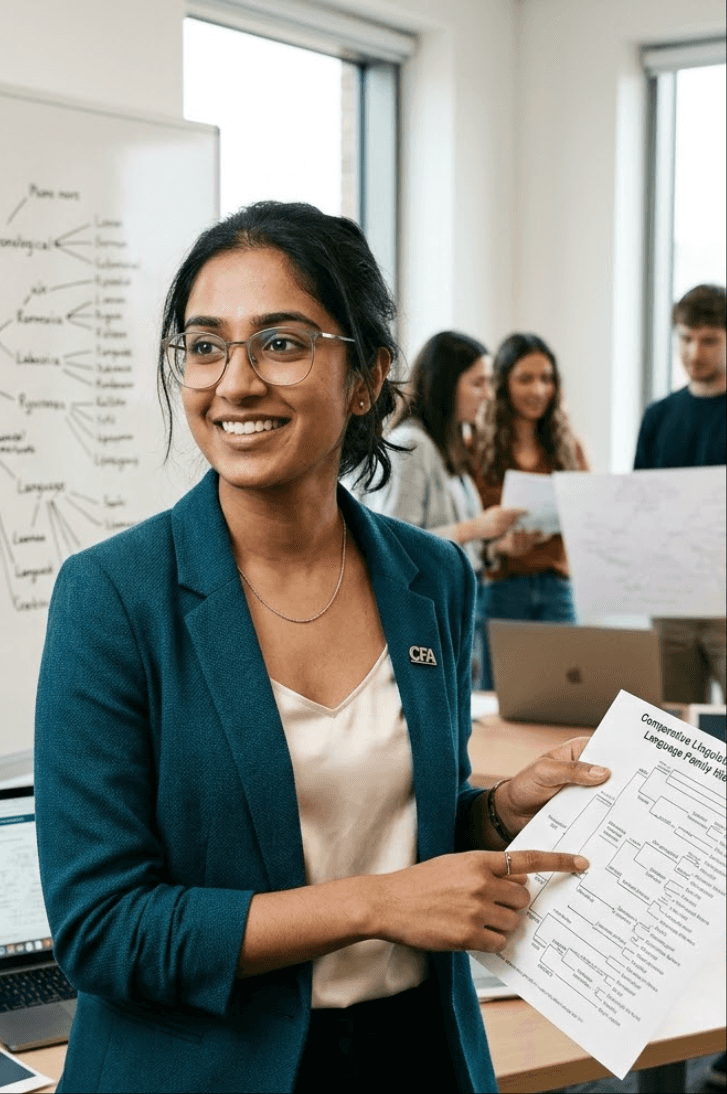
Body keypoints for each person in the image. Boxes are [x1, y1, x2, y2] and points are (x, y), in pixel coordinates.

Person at [34, 202, 608, 1093]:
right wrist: (376, 906)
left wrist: (497, 812)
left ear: (367, 376)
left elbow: (394, 822)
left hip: (416, 1056)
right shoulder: (112, 596)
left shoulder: (430, 577)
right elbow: (102, 930)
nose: (235, 383)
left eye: (282, 343)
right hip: (209, 1072)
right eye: (205, 346)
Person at [367, 331, 526, 683]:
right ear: (445, 385)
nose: (489, 394)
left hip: (454, 614)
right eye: (478, 383)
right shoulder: (411, 445)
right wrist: (477, 528)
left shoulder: (448, 448)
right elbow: (393, 544)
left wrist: (495, 546)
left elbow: (448, 543)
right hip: (422, 624)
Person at [473, 333, 589, 690]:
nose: (538, 390)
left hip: (557, 589)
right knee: (500, 699)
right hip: (501, 591)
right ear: (503, 384)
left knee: (565, 695)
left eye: (546, 378)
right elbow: (467, 526)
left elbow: (590, 516)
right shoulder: (476, 448)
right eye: (525, 379)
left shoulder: (568, 448)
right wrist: (501, 547)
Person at [633, 284, 726, 709]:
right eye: (686, 338)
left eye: (709, 340)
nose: (694, 352)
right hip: (671, 599)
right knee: (672, 723)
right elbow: (638, 504)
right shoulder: (659, 417)